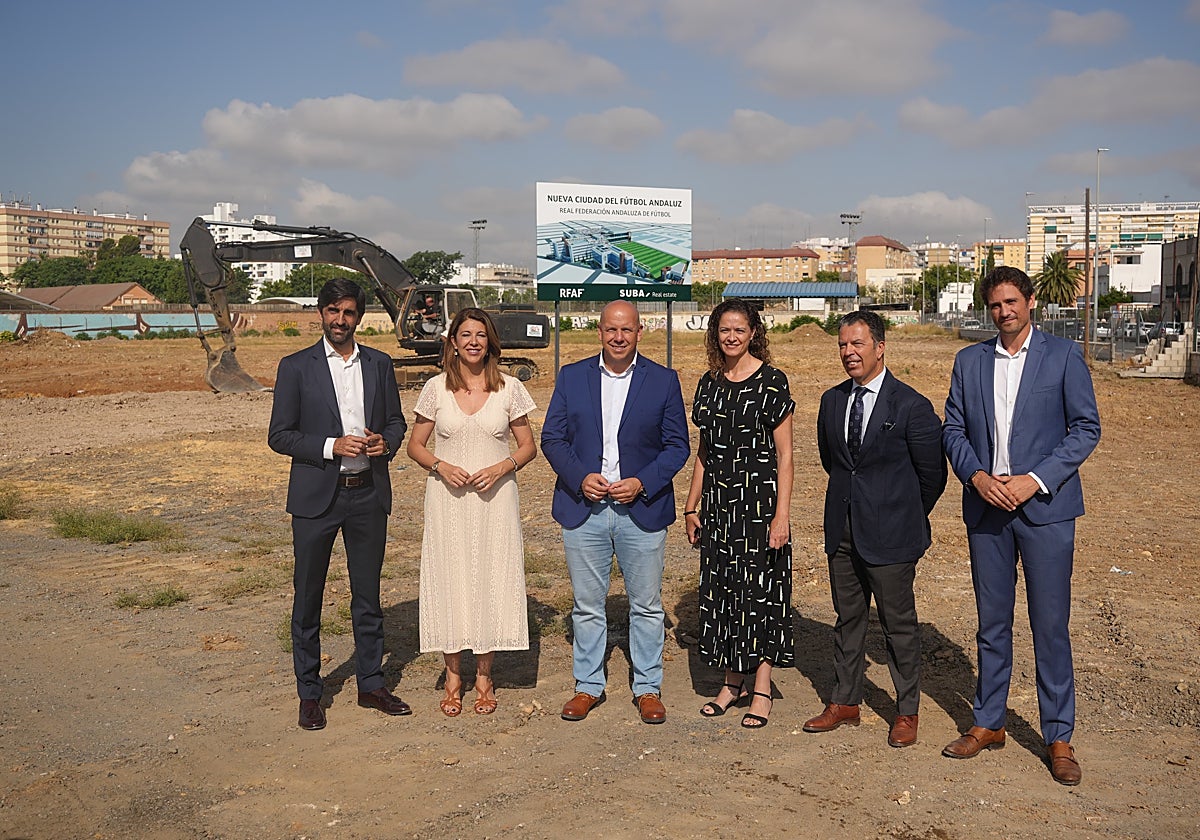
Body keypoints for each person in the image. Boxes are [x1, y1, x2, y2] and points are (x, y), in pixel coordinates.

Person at [942, 266, 1101, 785]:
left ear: (1030, 302)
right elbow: (954, 429)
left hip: (1046, 511)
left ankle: (1058, 736)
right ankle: (988, 722)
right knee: (992, 624)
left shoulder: (1063, 356)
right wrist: (976, 475)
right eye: (995, 305)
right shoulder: (969, 362)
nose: (1004, 312)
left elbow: (1085, 428)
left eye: (1012, 302)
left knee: (1050, 627)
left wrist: (1036, 479)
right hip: (988, 509)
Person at [267, 277, 411, 730]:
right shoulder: (295, 367)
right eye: (333, 312)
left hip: (367, 495)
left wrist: (382, 443)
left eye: (348, 312)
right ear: (320, 314)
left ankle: (371, 683)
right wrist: (333, 446)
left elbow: (395, 422)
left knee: (367, 597)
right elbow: (280, 435)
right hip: (316, 500)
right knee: (307, 598)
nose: (340, 320)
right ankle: (310, 693)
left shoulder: (380, 364)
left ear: (358, 317)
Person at [541, 300, 689, 724]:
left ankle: (647, 687)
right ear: (599, 331)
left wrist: (643, 481)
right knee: (587, 606)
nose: (618, 337)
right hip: (584, 507)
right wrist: (578, 476)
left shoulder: (662, 381)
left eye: (626, 330)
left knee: (646, 605)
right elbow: (553, 438)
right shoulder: (572, 377)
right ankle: (587, 686)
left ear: (640, 332)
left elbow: (677, 445)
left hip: (640, 507)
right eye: (610, 330)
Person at [803, 310, 946, 747]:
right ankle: (845, 701)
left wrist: (900, 515)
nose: (849, 353)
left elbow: (932, 477)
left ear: (880, 348)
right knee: (847, 620)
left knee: (898, 626)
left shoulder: (912, 406)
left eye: (857, 344)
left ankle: (906, 710)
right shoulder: (831, 401)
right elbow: (835, 464)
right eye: (843, 345)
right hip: (843, 533)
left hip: (893, 538)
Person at [406, 308, 537, 716]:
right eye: (466, 334)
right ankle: (452, 678)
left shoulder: (510, 388)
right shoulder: (434, 388)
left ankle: (484, 677)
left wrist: (503, 467)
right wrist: (439, 465)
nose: (474, 342)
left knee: (490, 577)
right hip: (447, 501)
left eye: (481, 335)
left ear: (491, 342)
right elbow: (415, 445)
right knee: (451, 580)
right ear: (453, 342)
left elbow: (528, 446)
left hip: (496, 501)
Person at [684, 299, 794, 729]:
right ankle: (732, 682)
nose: (731, 337)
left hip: (760, 506)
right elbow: (704, 453)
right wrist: (691, 507)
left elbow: (785, 456)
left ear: (753, 333)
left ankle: (762, 686)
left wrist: (781, 515)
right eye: (724, 330)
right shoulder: (708, 385)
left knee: (761, 594)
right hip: (719, 507)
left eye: (739, 330)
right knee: (725, 593)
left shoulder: (772, 383)